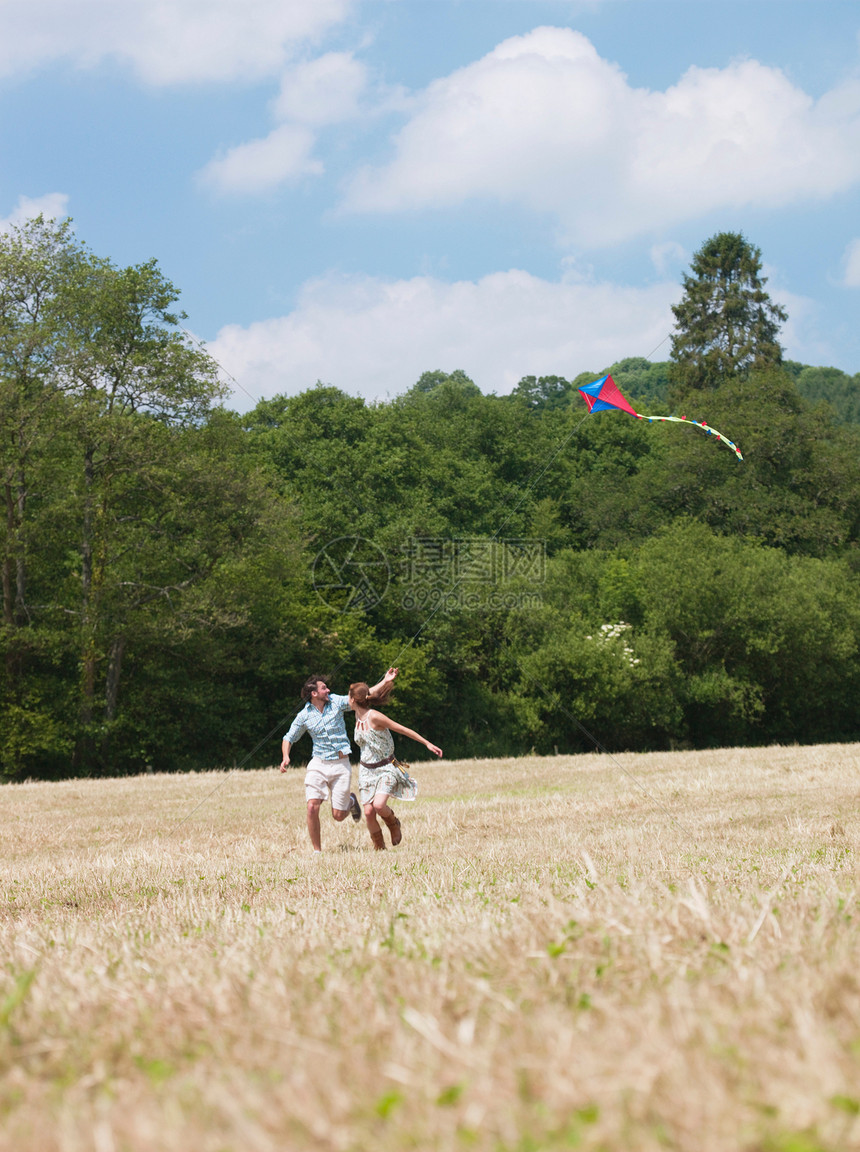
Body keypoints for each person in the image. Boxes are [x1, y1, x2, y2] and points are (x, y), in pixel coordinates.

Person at [281, 668, 398, 852]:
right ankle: (317, 851)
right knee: (312, 806)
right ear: (314, 693)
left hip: (341, 764)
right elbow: (288, 737)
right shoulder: (304, 716)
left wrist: (385, 681)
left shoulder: (335, 701)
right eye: (324, 688)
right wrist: (286, 756)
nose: (328, 690)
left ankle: (351, 802)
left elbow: (363, 696)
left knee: (338, 816)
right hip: (318, 763)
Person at [348, 680, 442, 851]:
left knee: (378, 805)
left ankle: (393, 823)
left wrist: (427, 743)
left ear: (353, 700)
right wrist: (386, 679)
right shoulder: (356, 714)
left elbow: (402, 729)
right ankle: (379, 847)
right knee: (368, 813)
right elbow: (367, 692)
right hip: (366, 771)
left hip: (386, 767)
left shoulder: (374, 716)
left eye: (349, 695)